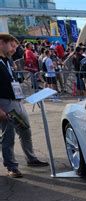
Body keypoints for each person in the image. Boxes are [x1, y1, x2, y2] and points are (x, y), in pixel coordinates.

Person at [0, 33, 49, 178]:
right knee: (8, 136)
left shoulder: (7, 61)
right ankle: (11, 166)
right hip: (5, 103)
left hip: (16, 102)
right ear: (1, 43)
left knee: (25, 130)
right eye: (12, 46)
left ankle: (31, 158)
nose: (15, 49)